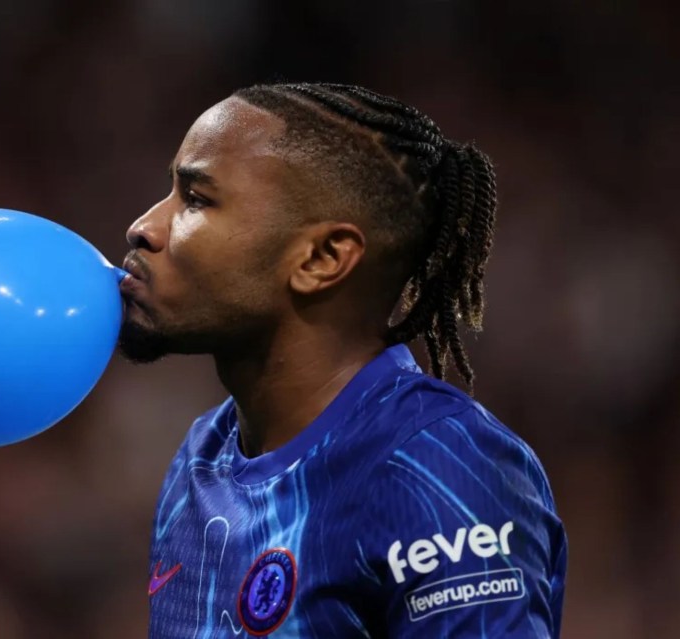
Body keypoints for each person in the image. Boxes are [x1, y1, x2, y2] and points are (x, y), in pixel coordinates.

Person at [117, 82, 566, 638]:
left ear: (322, 259)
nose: (144, 226)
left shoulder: (437, 467)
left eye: (197, 199)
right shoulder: (202, 457)